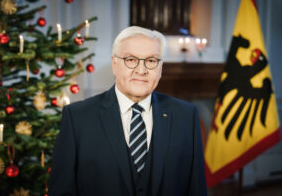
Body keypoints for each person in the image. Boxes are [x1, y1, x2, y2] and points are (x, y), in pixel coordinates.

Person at [49, 26, 207, 196]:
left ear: (161, 67)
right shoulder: (78, 118)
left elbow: (196, 189)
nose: (141, 70)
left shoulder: (186, 116)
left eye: (151, 61)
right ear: (114, 63)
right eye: (131, 60)